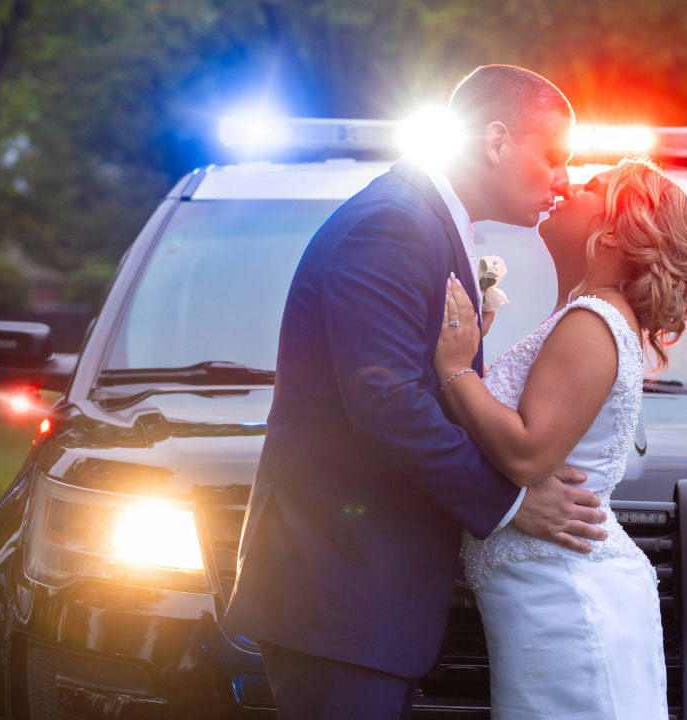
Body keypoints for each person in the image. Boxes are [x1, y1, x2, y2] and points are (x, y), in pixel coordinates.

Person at [221, 65, 612, 719]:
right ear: (495, 141)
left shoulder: (419, 220)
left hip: (365, 606)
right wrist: (511, 500)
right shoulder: (393, 226)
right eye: (554, 158)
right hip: (341, 600)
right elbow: (386, 403)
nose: (563, 181)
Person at [435, 157, 687, 717]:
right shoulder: (588, 316)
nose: (564, 185)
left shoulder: (593, 320)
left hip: (566, 602)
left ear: (611, 229)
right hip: (546, 596)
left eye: (589, 186)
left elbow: (527, 452)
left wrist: (457, 370)